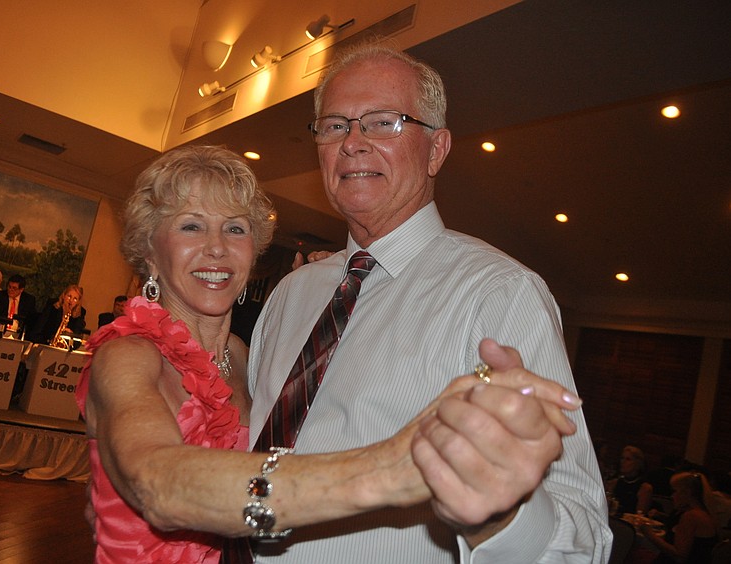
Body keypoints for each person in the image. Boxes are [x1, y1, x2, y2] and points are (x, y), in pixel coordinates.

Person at [74, 144, 583, 563]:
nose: (217, 248)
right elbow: (156, 484)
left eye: (235, 228)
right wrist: (392, 467)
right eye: (190, 226)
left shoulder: (243, 352)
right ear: (147, 249)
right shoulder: (128, 353)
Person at [247, 42, 611, 562]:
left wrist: (499, 513)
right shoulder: (292, 294)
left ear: (437, 149)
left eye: (382, 122)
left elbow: (584, 538)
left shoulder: (500, 295)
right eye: (334, 126)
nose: (352, 142)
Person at [641, 472, 718, 563]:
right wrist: (662, 516)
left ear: (686, 493)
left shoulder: (692, 516)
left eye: (674, 491)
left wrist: (649, 534)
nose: (672, 496)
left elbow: (679, 556)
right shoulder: (702, 513)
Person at [609, 445, 653, 516]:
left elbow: (640, 516)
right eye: (622, 458)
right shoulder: (614, 483)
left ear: (638, 464)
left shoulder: (644, 488)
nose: (623, 462)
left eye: (628, 459)